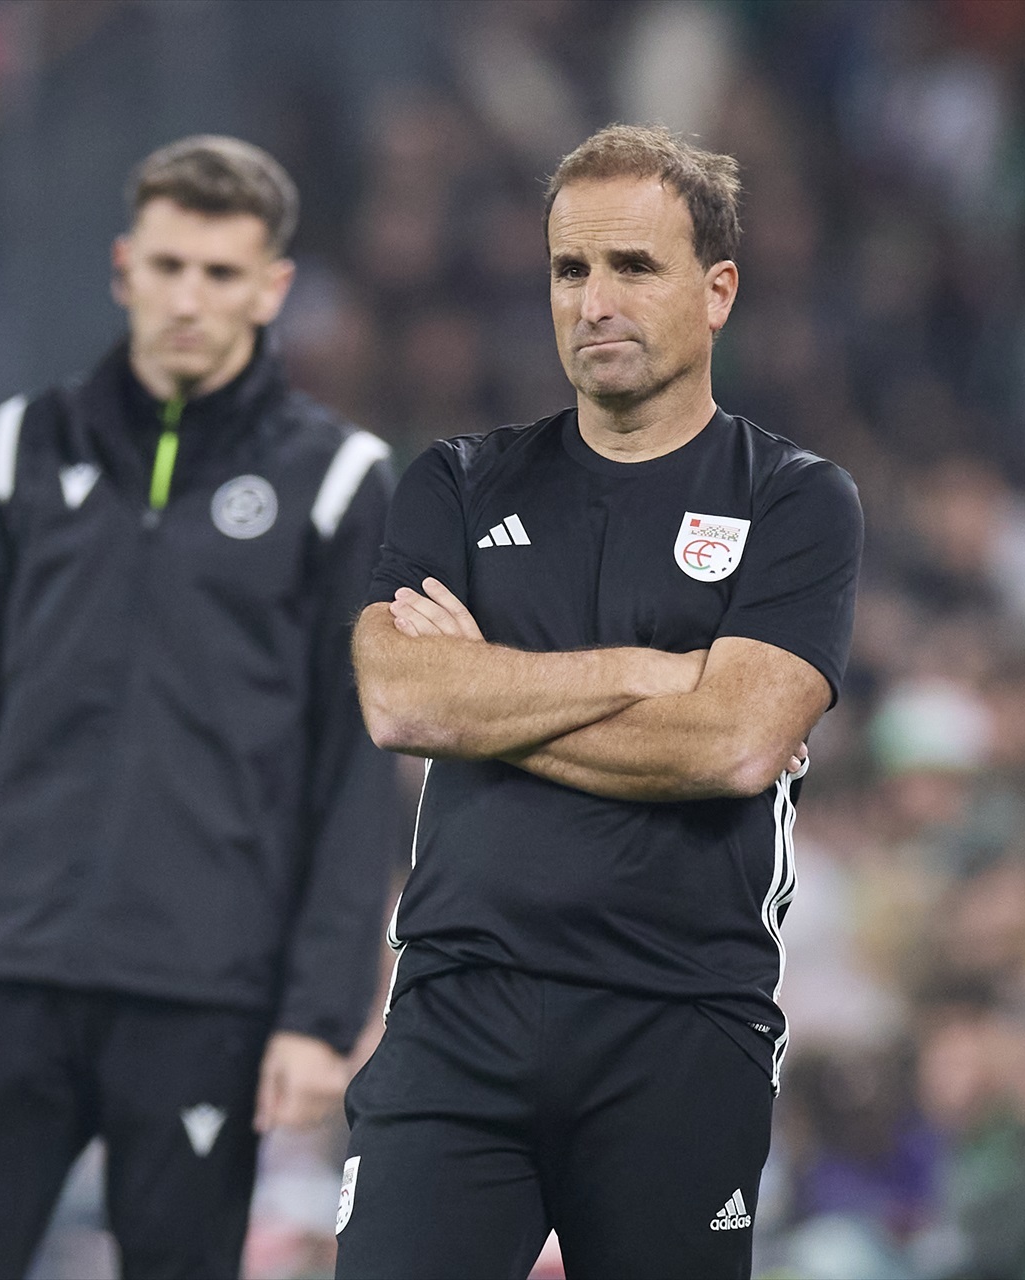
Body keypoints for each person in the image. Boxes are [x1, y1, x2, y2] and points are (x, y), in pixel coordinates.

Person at [0, 135, 397, 1280]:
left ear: (272, 288)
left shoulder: (340, 481)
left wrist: (319, 1009)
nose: (189, 298)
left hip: (204, 990)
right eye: (168, 266)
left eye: (219, 272)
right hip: (3, 974)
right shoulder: (20, 447)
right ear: (122, 268)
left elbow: (350, 770)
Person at [334, 124, 862, 1279]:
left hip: (681, 1015)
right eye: (570, 270)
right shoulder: (455, 481)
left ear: (718, 290)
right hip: (457, 1007)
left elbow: (734, 741)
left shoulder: (798, 501)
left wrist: (493, 693)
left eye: (634, 267)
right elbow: (399, 700)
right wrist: (645, 670)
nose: (594, 300)